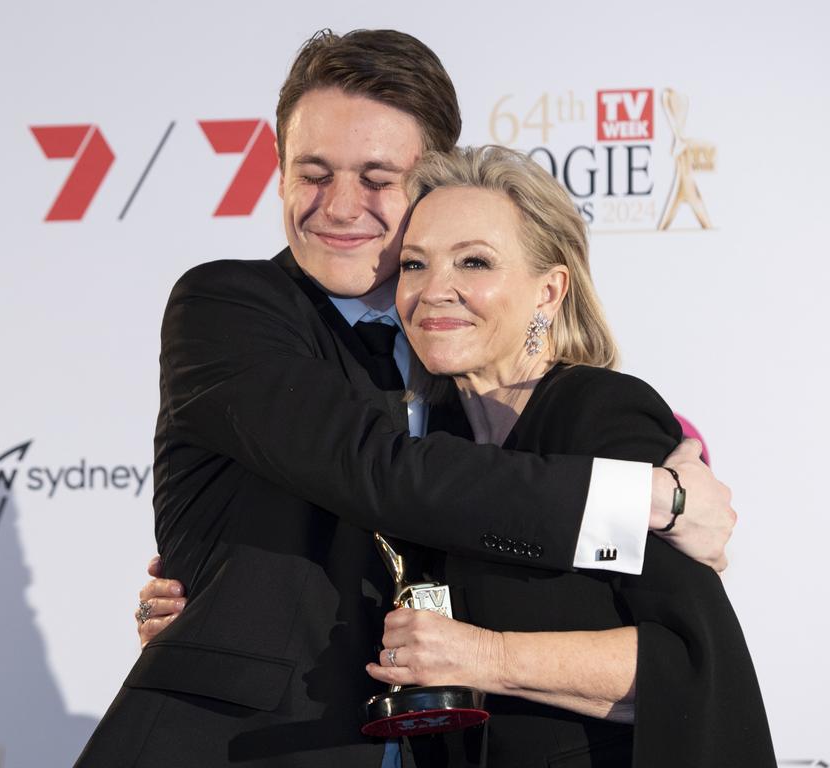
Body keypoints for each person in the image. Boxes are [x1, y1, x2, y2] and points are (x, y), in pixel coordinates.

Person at [77, 30, 734, 768]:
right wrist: (647, 498)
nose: (340, 206)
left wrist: (667, 448)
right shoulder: (228, 307)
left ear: (431, 182)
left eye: (378, 177)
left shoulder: (468, 369)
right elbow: (382, 470)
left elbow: (670, 645)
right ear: (279, 172)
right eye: (313, 173)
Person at [354, 145, 773, 766]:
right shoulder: (423, 441)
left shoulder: (602, 412)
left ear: (548, 291)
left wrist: (487, 656)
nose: (434, 290)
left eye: (473, 261)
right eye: (415, 264)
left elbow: (689, 660)